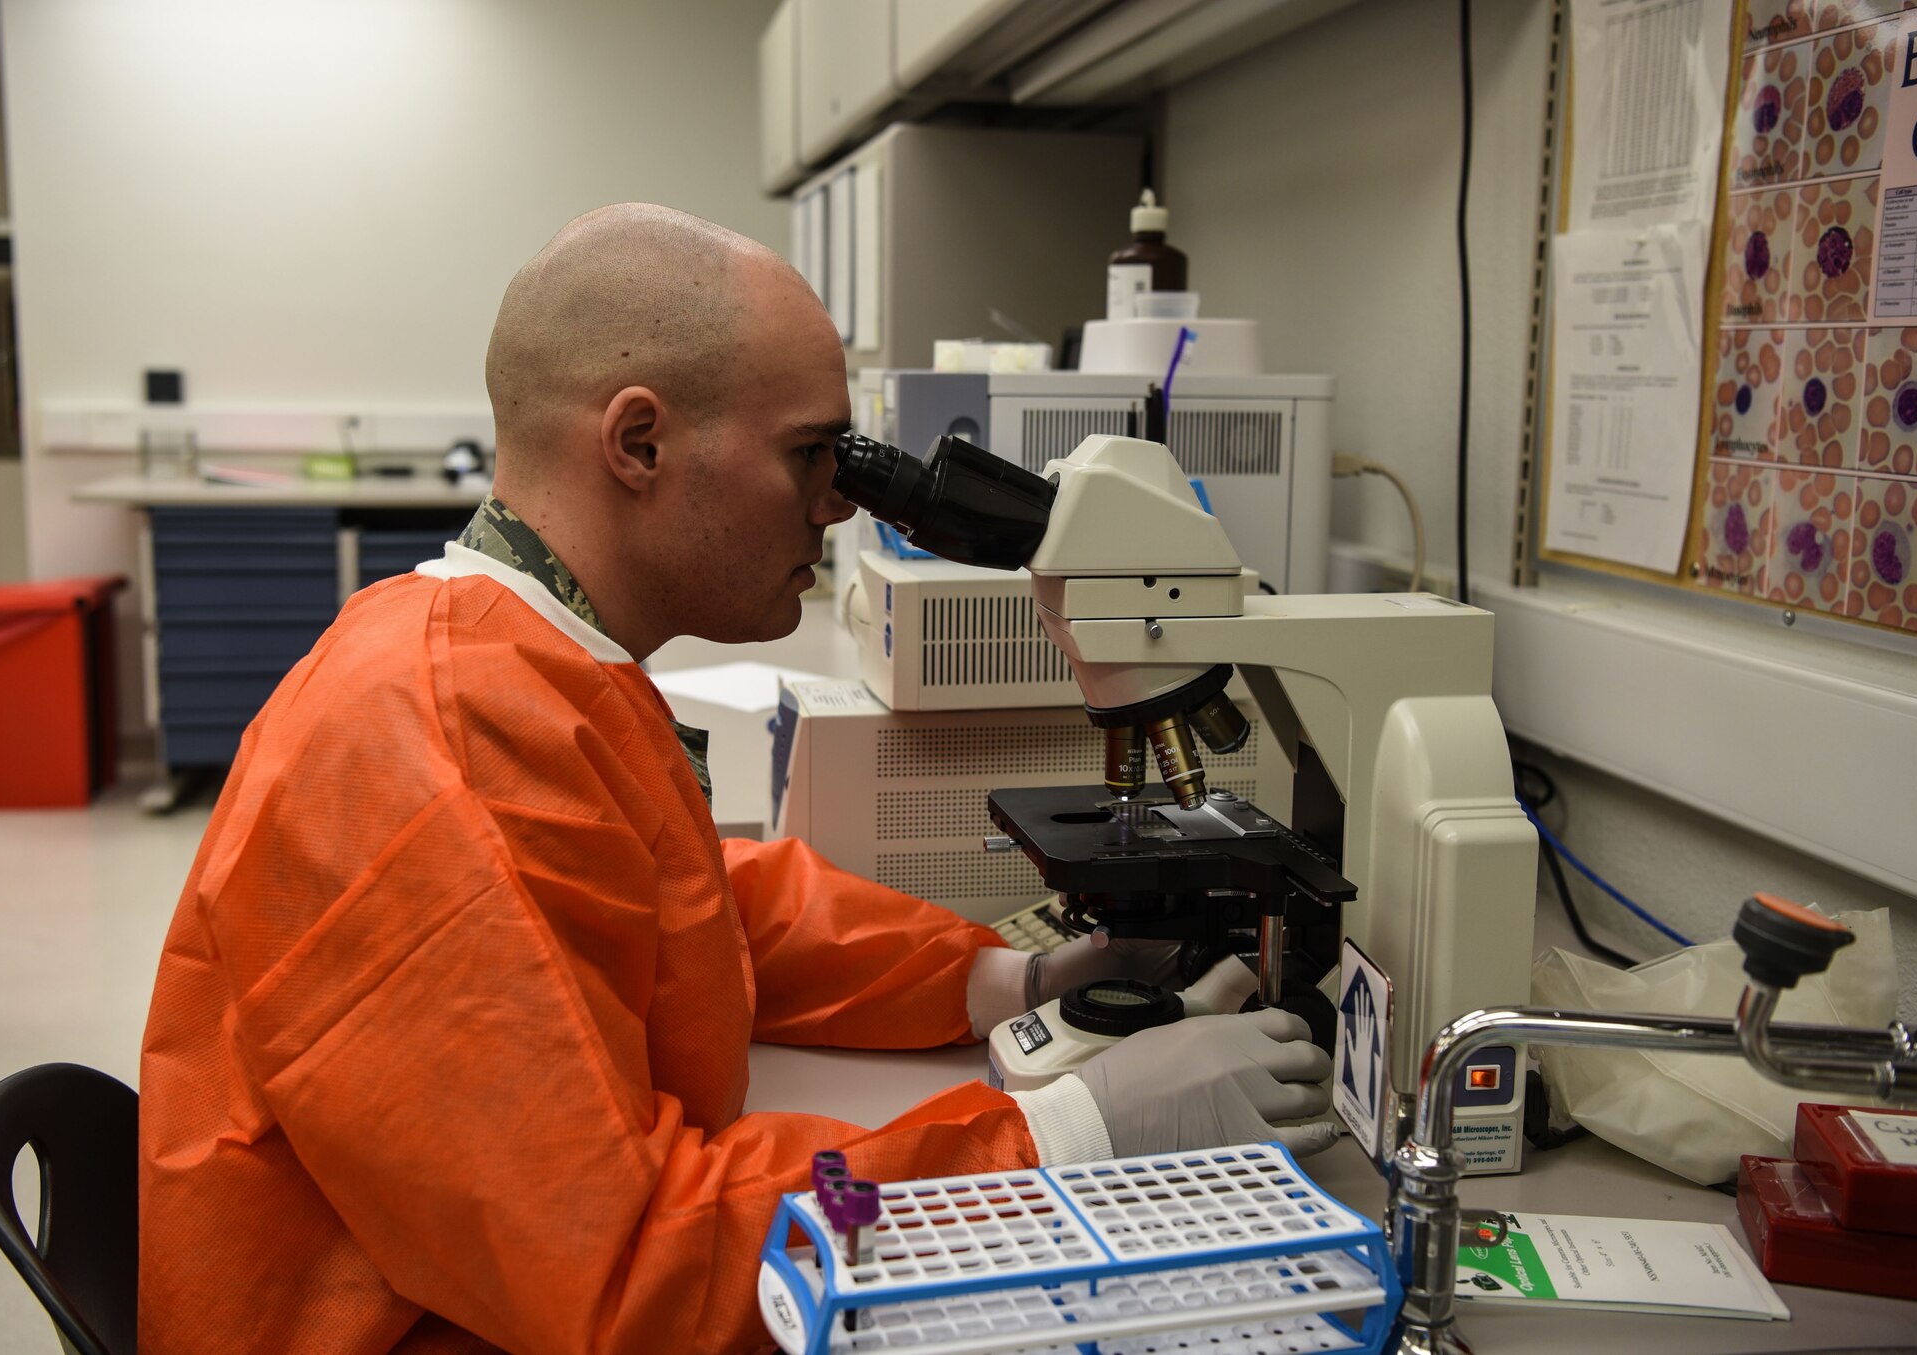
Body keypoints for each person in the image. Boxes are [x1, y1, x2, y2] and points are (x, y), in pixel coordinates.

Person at [138, 204, 1334, 1355]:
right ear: (638, 443)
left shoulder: (519, 659)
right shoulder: (436, 748)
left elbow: (701, 913)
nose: (837, 502)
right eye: (809, 454)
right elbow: (625, 1271)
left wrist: (1002, 975)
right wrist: (1062, 1130)